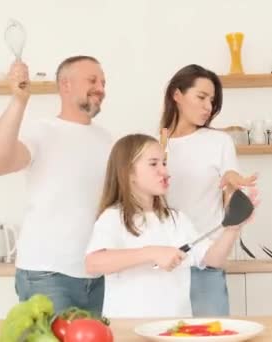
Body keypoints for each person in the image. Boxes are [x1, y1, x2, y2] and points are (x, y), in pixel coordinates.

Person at [0, 56, 112, 315]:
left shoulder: (107, 139)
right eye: (92, 80)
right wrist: (19, 101)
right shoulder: (41, 131)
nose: (100, 88)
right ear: (65, 85)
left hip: (96, 274)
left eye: (103, 82)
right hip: (47, 274)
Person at [84, 134, 256, 318]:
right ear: (129, 173)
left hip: (173, 329)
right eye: (153, 164)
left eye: (164, 163)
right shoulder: (113, 218)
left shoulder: (177, 220)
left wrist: (232, 228)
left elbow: (213, 259)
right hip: (128, 331)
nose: (165, 172)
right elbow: (93, 263)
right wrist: (152, 253)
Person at [158, 64, 257, 316]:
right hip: (164, 263)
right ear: (177, 95)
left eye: (212, 100)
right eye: (201, 97)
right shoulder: (157, 144)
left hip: (206, 261)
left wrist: (233, 184)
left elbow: (230, 189)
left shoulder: (219, 141)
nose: (208, 107)